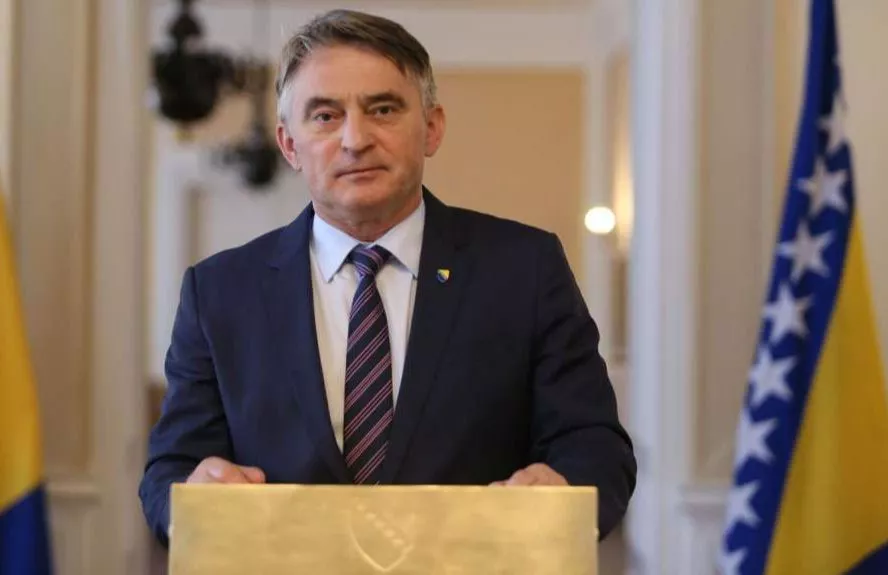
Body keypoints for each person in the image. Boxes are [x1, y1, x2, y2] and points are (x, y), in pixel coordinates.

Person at [139, 8, 636, 546]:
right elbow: (170, 470)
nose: (355, 139)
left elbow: (596, 447)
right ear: (288, 145)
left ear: (432, 127)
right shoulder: (218, 292)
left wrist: (563, 490)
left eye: (382, 109)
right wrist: (190, 497)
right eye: (325, 116)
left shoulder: (525, 269)